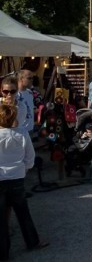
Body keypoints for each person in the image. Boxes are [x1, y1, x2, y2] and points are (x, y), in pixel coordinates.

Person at [0, 103, 49, 260]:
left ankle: (3, 252)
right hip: (17, 178)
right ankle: (32, 241)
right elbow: (30, 158)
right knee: (23, 212)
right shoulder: (22, 133)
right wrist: (24, 169)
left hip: (1, 178)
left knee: (1, 218)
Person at [17, 70, 35, 134]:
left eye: (32, 78)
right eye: (29, 78)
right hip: (20, 131)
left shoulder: (30, 92)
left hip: (30, 129)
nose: (32, 80)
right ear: (21, 79)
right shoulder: (15, 94)